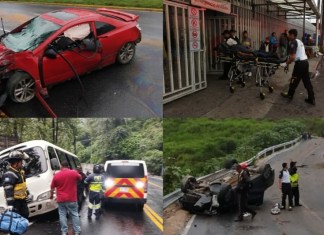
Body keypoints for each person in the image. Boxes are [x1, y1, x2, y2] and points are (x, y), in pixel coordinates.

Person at [280, 29, 315, 105]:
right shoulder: (300, 41)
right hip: (305, 62)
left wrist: (286, 63)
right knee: (307, 81)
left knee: (294, 79)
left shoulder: (293, 42)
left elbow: (293, 57)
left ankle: (290, 95)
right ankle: (311, 99)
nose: (288, 36)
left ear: (292, 35)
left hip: (300, 64)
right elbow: (300, 54)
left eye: (289, 35)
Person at [50, 161, 81, 235]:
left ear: (61, 166)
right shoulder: (73, 172)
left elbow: (52, 187)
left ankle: (64, 231)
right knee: (74, 214)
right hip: (72, 198)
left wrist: (51, 195)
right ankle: (77, 231)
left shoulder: (56, 175)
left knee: (62, 215)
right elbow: (80, 178)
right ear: (68, 166)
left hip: (61, 199)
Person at [2, 150, 30, 224]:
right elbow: (8, 190)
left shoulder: (20, 172)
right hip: (15, 202)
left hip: (22, 200)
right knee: (15, 221)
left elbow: (22, 185)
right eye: (21, 161)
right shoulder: (10, 174)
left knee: (25, 216)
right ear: (16, 163)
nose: (22, 163)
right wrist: (10, 204)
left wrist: (27, 193)